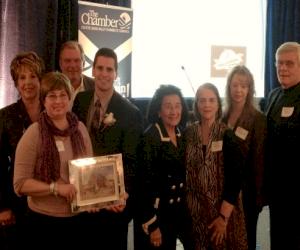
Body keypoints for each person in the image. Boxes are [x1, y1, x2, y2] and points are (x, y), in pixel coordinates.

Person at [72, 47, 144, 250]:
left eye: (109, 69)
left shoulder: (130, 113)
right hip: (83, 203)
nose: (104, 74)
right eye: (100, 68)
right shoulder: (80, 101)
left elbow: (132, 160)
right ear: (92, 70)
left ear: (115, 74)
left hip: (111, 206)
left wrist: (122, 193)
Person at [13, 72, 93, 249]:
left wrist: (99, 198)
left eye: (63, 95)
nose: (58, 101)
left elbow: (89, 176)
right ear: (43, 100)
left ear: (70, 98)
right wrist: (55, 188)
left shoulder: (80, 130)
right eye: (52, 96)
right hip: (42, 224)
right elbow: (20, 184)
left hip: (78, 221)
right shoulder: (34, 133)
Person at [185, 83, 248, 250]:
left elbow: (235, 179)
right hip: (196, 215)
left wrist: (223, 218)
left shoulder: (226, 134)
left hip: (223, 216)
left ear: (218, 104)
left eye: (211, 100)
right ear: (196, 104)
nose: (207, 105)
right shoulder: (188, 133)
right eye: (202, 100)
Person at [135, 84, 194, 250]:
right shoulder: (150, 138)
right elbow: (142, 186)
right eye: (168, 106)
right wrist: (152, 226)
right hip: (158, 215)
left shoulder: (182, 134)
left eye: (177, 106)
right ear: (158, 111)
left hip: (179, 212)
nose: (174, 111)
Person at [0, 51, 44, 249]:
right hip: (17, 202)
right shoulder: (5, 116)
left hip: (49, 198)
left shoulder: (53, 110)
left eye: (33, 76)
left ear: (40, 79)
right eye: (22, 77)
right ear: (16, 83)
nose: (28, 82)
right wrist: (3, 206)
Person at [222, 65, 267, 250]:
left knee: (246, 240)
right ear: (229, 87)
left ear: (249, 89)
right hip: (225, 192)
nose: (238, 90)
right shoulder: (222, 116)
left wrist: (257, 199)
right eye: (235, 85)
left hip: (247, 195)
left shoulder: (258, 119)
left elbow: (259, 162)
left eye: (243, 86)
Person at [264, 41, 300, 250]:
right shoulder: (274, 95)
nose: (282, 68)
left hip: (297, 192)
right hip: (277, 190)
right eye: (279, 63)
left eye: (289, 63)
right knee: (277, 239)